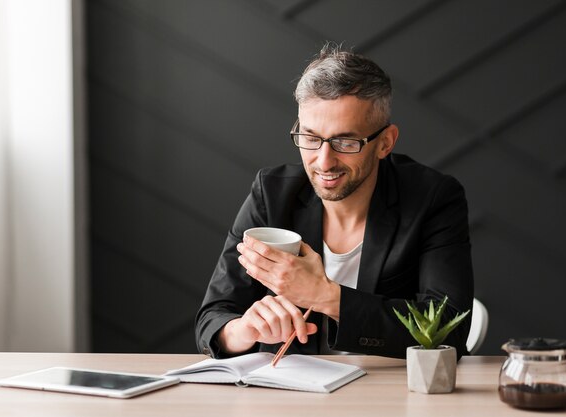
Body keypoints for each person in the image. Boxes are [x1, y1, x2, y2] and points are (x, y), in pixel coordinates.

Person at [195, 44, 474, 359]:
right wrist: (243, 329)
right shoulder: (271, 194)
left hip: (388, 395)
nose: (324, 162)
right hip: (288, 397)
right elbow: (213, 318)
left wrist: (326, 296)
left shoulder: (433, 197)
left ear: (385, 142)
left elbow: (450, 329)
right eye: (311, 138)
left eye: (345, 141)